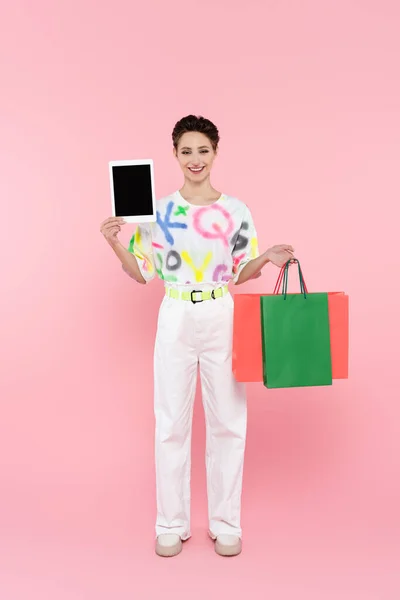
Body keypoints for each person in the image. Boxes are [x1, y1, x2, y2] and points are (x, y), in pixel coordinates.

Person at [100, 115, 294, 558]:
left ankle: (226, 522)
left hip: (220, 312)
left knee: (228, 419)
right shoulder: (158, 211)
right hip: (175, 314)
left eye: (202, 150)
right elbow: (141, 273)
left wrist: (266, 257)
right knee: (170, 421)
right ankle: (171, 522)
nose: (195, 159)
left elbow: (240, 272)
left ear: (215, 153)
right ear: (175, 154)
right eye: (186, 151)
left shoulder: (235, 210)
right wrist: (115, 243)